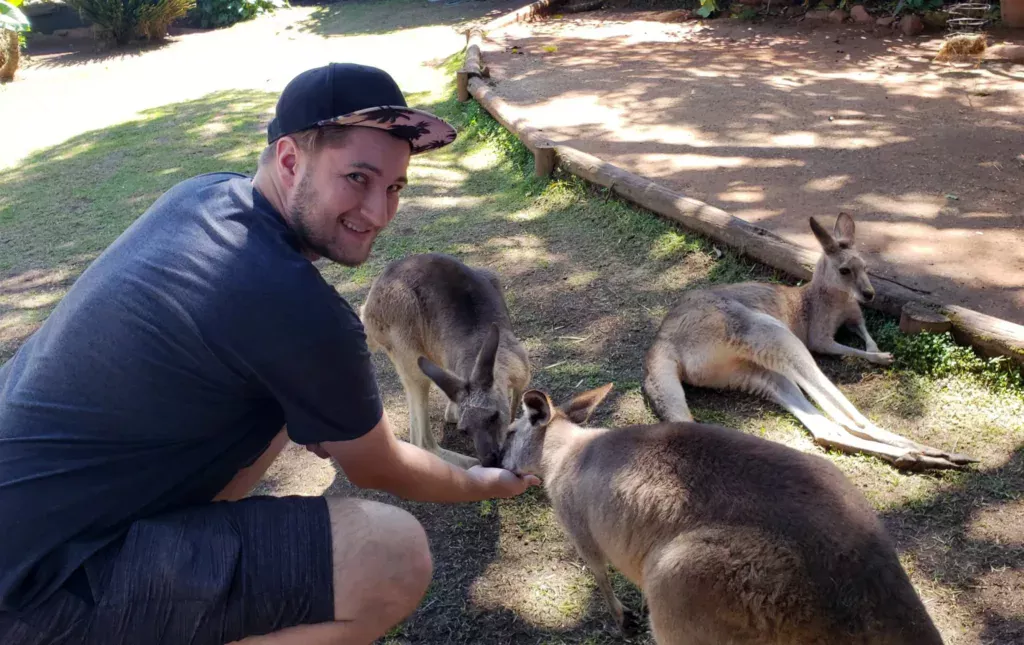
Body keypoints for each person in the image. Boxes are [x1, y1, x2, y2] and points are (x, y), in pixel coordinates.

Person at [0, 62, 540, 645]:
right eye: (357, 177)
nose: (380, 213)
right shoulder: (295, 306)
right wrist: (488, 482)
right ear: (289, 161)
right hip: (39, 587)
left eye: (394, 187)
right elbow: (379, 466)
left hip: (38, 520)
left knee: (280, 410)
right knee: (392, 553)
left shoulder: (202, 196)